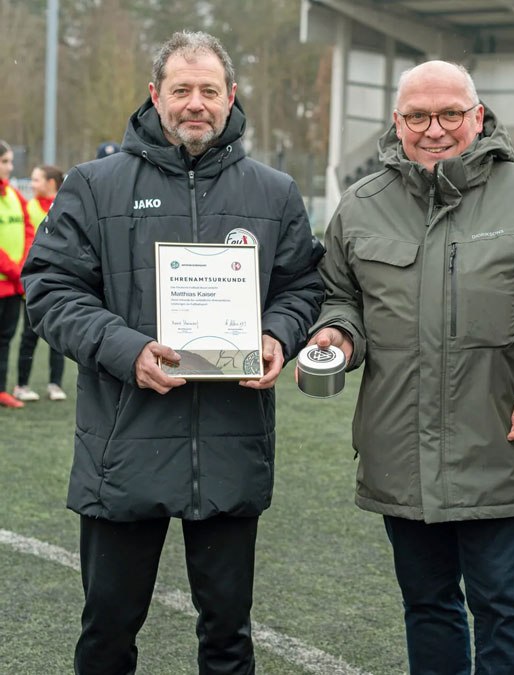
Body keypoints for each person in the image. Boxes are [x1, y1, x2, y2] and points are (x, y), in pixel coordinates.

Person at [22, 30, 324, 673]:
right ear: (154, 95)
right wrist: (126, 349)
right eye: (181, 89)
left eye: (208, 90)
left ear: (231, 96)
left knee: (228, 640)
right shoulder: (94, 185)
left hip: (231, 446)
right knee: (107, 635)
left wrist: (277, 336)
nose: (195, 103)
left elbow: (303, 286)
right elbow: (49, 288)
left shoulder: (274, 192)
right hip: (122, 446)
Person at [304, 60, 514, 674]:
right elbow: (340, 297)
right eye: (418, 116)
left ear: (478, 116)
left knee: (504, 611)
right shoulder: (360, 205)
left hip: (500, 446)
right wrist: (338, 334)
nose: (434, 129)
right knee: (428, 607)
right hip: (400, 453)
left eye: (449, 114)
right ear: (397, 122)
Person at [14, 164, 67, 402]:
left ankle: (55, 384)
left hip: (60, 285)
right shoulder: (29, 208)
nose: (32, 184)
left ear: (51, 183)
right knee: (29, 336)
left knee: (59, 336)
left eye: (36, 180)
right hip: (33, 285)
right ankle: (22, 385)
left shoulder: (65, 206)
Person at [0, 139, 35, 409]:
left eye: (10, 161)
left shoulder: (13, 195)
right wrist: (15, 271)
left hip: (12, 287)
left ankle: (1, 390)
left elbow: (28, 230)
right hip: (11, 279)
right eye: (5, 162)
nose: (10, 167)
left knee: (4, 341)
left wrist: (22, 266)